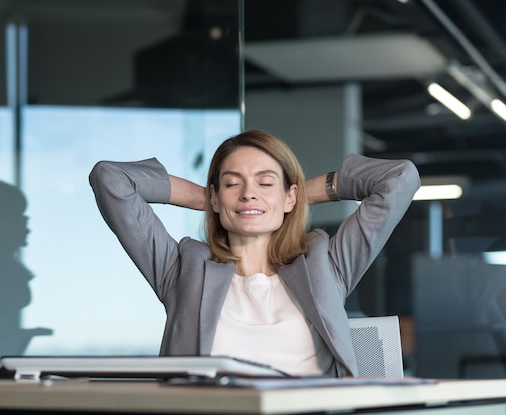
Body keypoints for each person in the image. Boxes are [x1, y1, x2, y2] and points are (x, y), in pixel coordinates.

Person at [89, 129, 420, 377]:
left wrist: (301, 194)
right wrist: (204, 199)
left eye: (265, 182)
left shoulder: (326, 264)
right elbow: (111, 178)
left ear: (290, 197)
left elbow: (400, 178)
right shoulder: (182, 269)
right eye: (234, 183)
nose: (249, 194)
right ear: (216, 196)